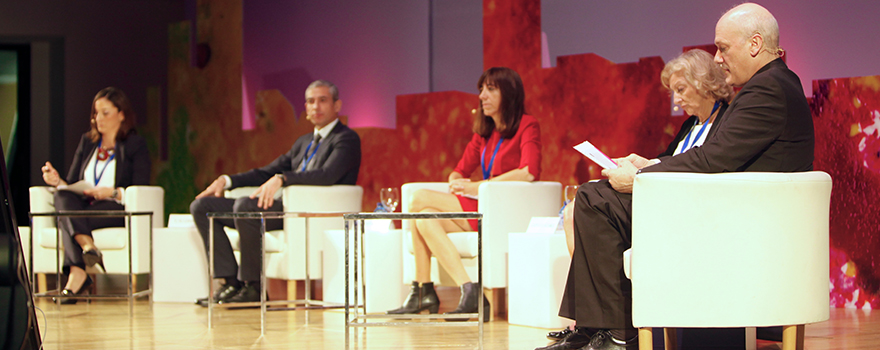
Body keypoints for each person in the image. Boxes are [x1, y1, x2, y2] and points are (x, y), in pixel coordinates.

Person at [547, 3, 814, 350]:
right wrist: (647, 168)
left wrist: (643, 175)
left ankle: (613, 331)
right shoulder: (774, 85)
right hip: (735, 213)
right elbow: (715, 157)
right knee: (594, 195)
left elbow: (713, 158)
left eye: (723, 47)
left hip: (739, 225)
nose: (717, 58)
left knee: (596, 200)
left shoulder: (767, 89)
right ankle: (600, 327)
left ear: (754, 44)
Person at [545, 48, 733, 346]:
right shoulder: (690, 125)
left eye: (681, 90)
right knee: (586, 198)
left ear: (704, 82)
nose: (677, 100)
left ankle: (618, 331)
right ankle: (591, 326)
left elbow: (704, 166)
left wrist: (648, 171)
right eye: (674, 93)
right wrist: (643, 163)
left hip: (684, 214)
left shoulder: (725, 122)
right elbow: (670, 160)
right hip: (661, 204)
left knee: (593, 197)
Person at [386, 67, 541, 321]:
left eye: (491, 89)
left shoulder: (528, 125)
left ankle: (423, 292)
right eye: (481, 89)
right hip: (477, 208)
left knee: (416, 200)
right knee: (423, 216)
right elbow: (457, 172)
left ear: (509, 94)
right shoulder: (484, 132)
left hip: (501, 210)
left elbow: (529, 171)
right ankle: (460, 290)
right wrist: (459, 183)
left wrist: (480, 186)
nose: (482, 96)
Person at [190, 80, 361, 306]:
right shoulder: (304, 142)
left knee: (245, 206)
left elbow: (327, 175)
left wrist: (284, 178)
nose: (316, 107)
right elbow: (268, 171)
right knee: (203, 207)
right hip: (284, 207)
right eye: (310, 101)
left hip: (307, 211)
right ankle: (231, 283)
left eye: (323, 101)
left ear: (337, 105)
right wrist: (227, 180)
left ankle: (254, 287)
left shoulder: (346, 139)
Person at [40, 87, 152, 304]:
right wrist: (58, 181)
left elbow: (141, 187)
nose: (98, 118)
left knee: (67, 219)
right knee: (62, 197)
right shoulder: (87, 142)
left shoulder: (134, 145)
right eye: (95, 113)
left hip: (114, 207)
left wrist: (110, 192)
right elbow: (72, 184)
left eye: (105, 113)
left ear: (121, 114)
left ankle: (77, 277)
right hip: (83, 206)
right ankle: (88, 248)